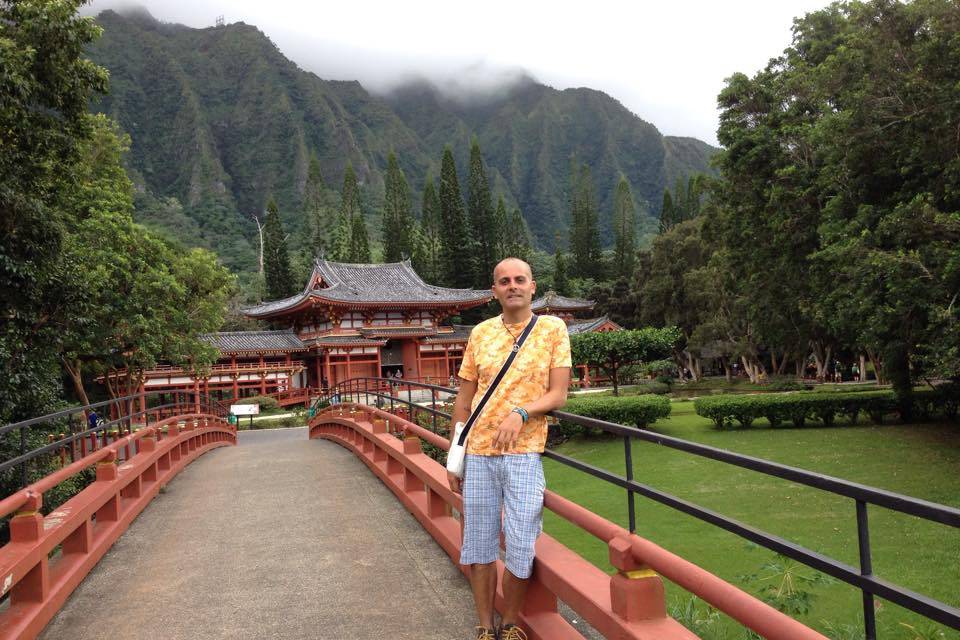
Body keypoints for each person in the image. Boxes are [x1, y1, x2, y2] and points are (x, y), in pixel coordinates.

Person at [448, 257, 571, 640]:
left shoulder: (552, 329)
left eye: (520, 279)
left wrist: (522, 411)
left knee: (520, 541)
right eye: (504, 281)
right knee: (479, 543)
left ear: (533, 287)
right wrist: (455, 457)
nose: (512, 285)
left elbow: (558, 394)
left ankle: (512, 622)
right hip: (480, 454)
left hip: (524, 452)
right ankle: (485, 626)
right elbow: (463, 401)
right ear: (494, 291)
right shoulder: (481, 334)